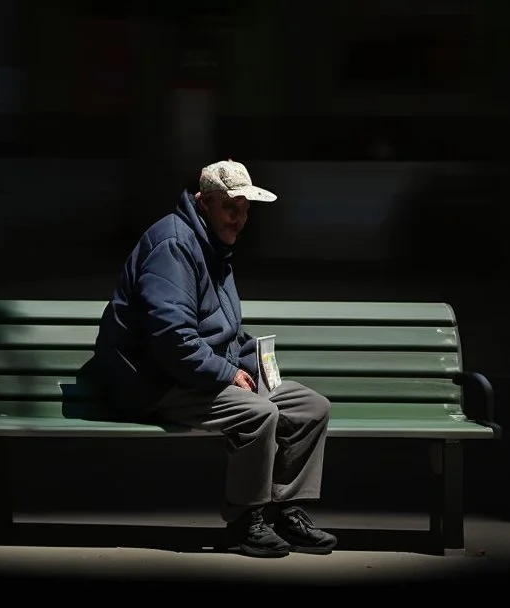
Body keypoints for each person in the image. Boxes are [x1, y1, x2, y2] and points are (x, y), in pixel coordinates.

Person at [92, 159, 337, 558]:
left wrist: (252, 360)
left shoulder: (213, 246)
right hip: (155, 380)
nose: (239, 219)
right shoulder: (175, 245)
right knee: (258, 414)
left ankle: (286, 510)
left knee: (310, 407)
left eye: (245, 210)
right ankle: (245, 523)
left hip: (191, 371)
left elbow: (221, 327)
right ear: (203, 202)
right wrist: (226, 373)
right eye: (230, 208)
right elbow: (171, 339)